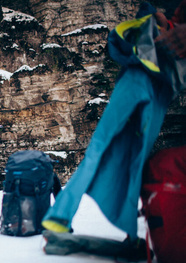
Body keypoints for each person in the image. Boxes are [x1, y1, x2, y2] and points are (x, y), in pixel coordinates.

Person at [42, 1, 186, 239]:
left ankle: (61, 217)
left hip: (149, 82)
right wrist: (162, 22)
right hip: (153, 82)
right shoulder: (161, 25)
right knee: (134, 156)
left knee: (107, 149)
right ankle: (68, 219)